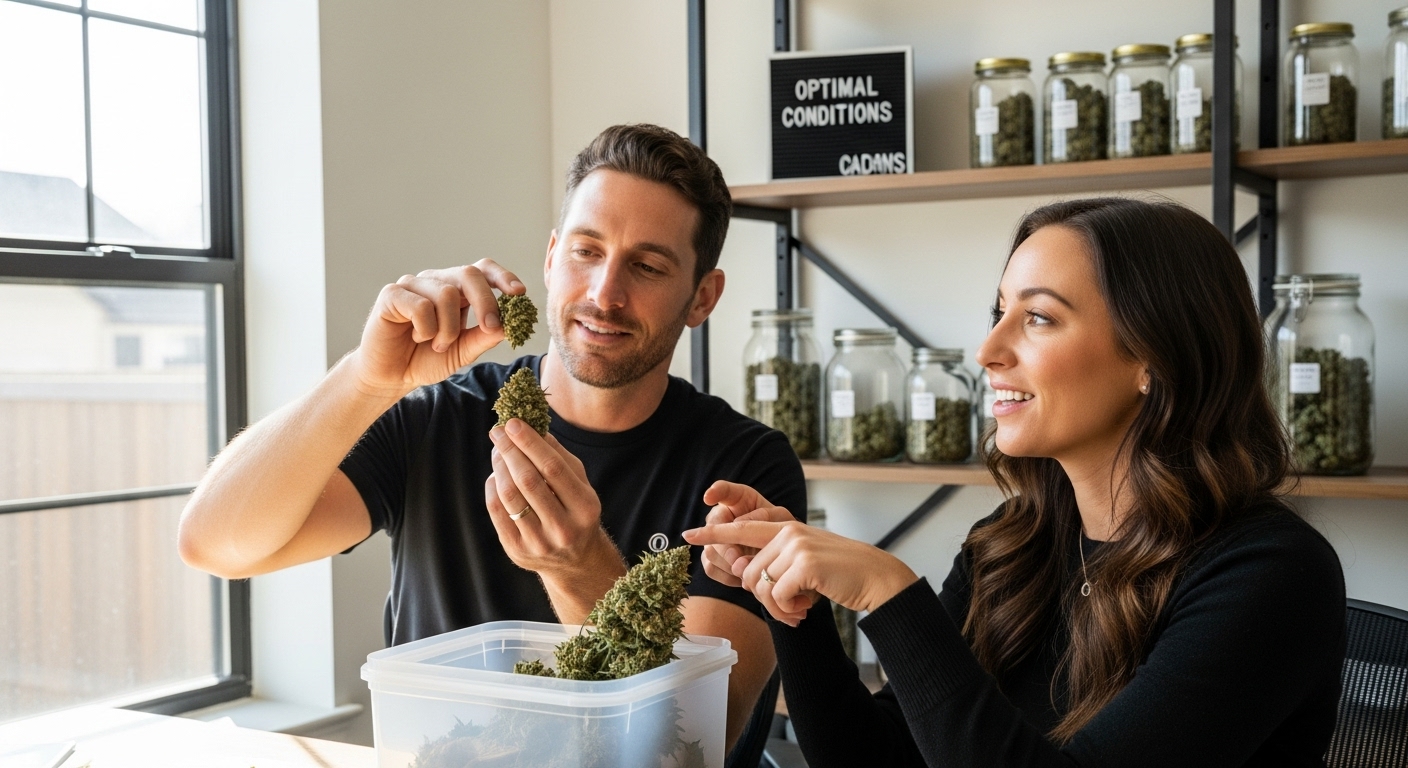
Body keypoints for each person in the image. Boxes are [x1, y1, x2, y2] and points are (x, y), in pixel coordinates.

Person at [178, 124, 806, 753]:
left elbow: (690, 745)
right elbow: (215, 543)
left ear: (702, 296)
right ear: (552, 256)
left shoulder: (744, 466)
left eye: (645, 266)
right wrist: (367, 378)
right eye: (586, 251)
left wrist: (580, 566)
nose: (604, 294)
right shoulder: (437, 419)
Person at [685, 197, 1347, 767]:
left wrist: (892, 595)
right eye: (999, 311)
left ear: (1154, 356)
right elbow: (878, 759)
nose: (987, 350)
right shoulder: (1012, 547)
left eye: (1038, 318)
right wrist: (790, 608)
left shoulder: (1271, 574)